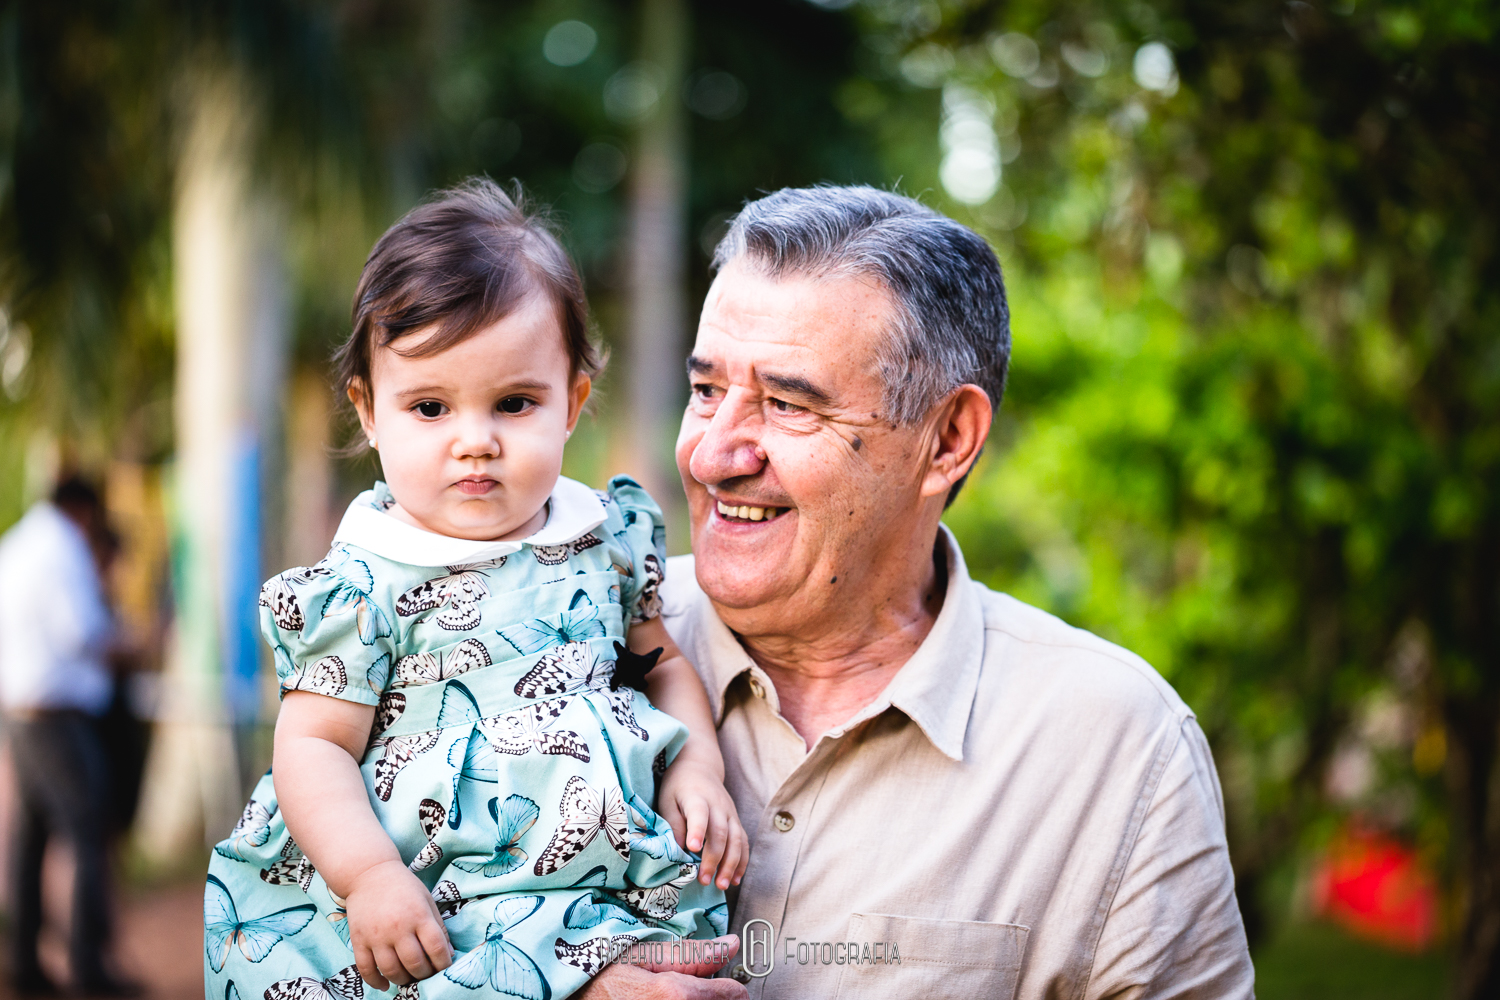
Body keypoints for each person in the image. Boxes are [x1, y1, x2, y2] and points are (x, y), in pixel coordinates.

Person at [581, 187, 1254, 999]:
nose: (712, 455)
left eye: (789, 404)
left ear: (947, 441)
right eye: (705, 391)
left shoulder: (1117, 750)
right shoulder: (558, 642)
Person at [204, 179, 744, 1000]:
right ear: (370, 411)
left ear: (572, 405)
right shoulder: (364, 580)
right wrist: (370, 876)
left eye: (515, 403)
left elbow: (660, 662)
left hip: (591, 871)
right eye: (429, 407)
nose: (475, 442)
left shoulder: (603, 539)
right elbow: (312, 747)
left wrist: (697, 764)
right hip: (432, 890)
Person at [0, 477, 133, 995]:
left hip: (21, 712)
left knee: (30, 839)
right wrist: (132, 644)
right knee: (87, 831)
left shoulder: (18, 542)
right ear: (82, 509)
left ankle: (23, 963)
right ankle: (87, 965)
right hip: (58, 717)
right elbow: (82, 632)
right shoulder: (61, 548)